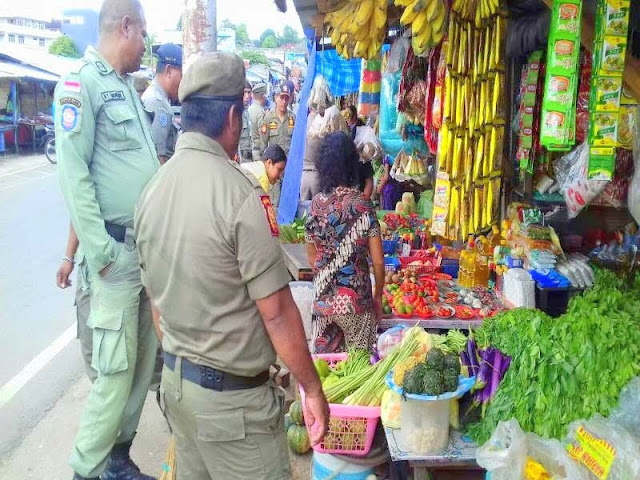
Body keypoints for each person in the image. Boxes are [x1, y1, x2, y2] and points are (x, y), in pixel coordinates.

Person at [134, 52, 329, 480]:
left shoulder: (152, 191)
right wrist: (312, 389)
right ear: (234, 118)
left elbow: (156, 305)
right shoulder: (240, 194)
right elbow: (276, 312)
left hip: (177, 389)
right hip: (234, 410)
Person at [55, 0, 160, 478]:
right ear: (126, 27)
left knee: (140, 368)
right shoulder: (80, 85)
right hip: (115, 255)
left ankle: (118, 458)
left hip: (142, 252)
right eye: (143, 36)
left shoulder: (124, 87)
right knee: (115, 373)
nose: (145, 47)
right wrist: (100, 254)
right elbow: (75, 178)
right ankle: (85, 469)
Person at [305, 132, 384, 354]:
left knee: (326, 370)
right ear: (352, 164)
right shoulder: (363, 205)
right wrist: (378, 296)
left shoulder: (315, 206)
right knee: (358, 371)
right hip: (356, 303)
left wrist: (328, 272)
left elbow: (312, 255)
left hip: (323, 301)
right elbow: (378, 261)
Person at [56, 225, 95, 383]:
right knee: (89, 339)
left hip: (128, 259)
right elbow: (77, 212)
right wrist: (68, 258)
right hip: (90, 267)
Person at [141, 42, 182, 164]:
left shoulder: (160, 98)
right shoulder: (157, 103)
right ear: (169, 71)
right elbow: (158, 158)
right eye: (182, 75)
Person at [343, 105, 374, 200]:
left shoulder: (360, 130)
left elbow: (369, 181)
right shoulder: (344, 162)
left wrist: (363, 201)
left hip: (361, 164)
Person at [259, 82, 296, 155]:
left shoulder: (293, 118)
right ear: (276, 98)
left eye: (286, 98)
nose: (284, 102)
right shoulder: (268, 118)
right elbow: (263, 143)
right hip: (275, 162)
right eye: (282, 98)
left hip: (289, 161)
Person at [248, 82, 268, 161]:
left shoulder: (249, 109)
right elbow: (263, 134)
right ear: (263, 96)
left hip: (250, 149)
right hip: (258, 151)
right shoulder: (260, 112)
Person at [237, 80, 253, 163]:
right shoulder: (235, 113)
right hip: (240, 158)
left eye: (249, 92)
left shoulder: (248, 112)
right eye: (245, 92)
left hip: (250, 157)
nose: (247, 96)